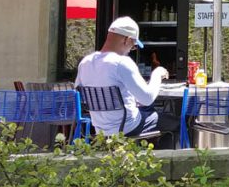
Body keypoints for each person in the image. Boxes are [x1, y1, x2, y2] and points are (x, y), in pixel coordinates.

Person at [75, 17, 178, 147]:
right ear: (127, 40)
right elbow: (147, 99)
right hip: (127, 126)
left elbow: (80, 95)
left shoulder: (85, 63)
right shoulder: (122, 63)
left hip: (99, 129)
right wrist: (157, 74)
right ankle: (163, 164)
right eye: (134, 46)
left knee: (147, 112)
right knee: (175, 123)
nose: (131, 49)